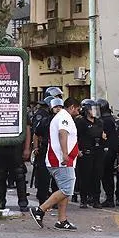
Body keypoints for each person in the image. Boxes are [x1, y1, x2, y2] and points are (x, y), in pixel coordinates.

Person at [29, 98, 80, 230]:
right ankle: (40, 210)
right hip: (60, 160)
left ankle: (62, 220)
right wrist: (65, 154)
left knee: (64, 189)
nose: (79, 111)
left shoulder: (62, 117)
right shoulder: (64, 117)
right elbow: (63, 134)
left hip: (61, 159)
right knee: (67, 189)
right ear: (72, 107)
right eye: (78, 109)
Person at [75, 99, 105, 208]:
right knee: (85, 176)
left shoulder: (99, 122)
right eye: (92, 109)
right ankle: (83, 199)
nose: (94, 112)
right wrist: (77, 150)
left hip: (97, 151)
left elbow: (102, 135)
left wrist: (103, 138)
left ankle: (96, 199)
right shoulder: (81, 122)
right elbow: (76, 137)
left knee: (97, 176)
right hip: (86, 152)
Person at [98, 99, 119, 208]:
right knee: (108, 175)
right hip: (112, 150)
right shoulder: (112, 119)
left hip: (107, 150)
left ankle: (110, 198)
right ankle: (110, 197)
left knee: (106, 175)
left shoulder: (105, 121)